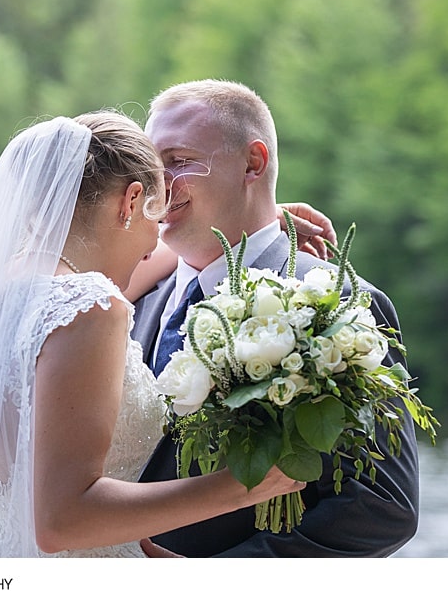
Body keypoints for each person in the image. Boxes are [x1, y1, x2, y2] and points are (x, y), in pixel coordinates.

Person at [0, 111, 331, 557]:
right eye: (155, 222)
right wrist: (247, 484)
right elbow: (63, 520)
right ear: (131, 200)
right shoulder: (90, 306)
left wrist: (262, 219)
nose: (153, 246)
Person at [133, 79, 421, 557]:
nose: (159, 185)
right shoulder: (131, 301)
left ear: (253, 163)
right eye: (150, 166)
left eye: (180, 161)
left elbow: (381, 505)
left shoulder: (339, 302)